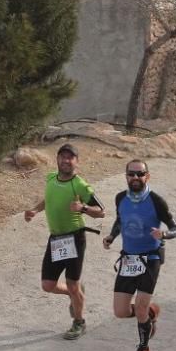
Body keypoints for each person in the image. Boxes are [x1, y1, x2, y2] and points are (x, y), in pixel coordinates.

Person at [103, 160, 176, 351]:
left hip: (151, 257)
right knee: (120, 311)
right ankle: (149, 314)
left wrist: (164, 234)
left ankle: (143, 349)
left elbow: (175, 228)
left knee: (140, 307)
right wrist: (112, 236)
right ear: (126, 176)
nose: (135, 178)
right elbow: (120, 220)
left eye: (140, 174)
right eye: (131, 174)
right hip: (129, 258)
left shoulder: (156, 201)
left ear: (148, 176)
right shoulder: (120, 198)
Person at [24, 143, 105, 339]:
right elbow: (48, 200)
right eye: (63, 156)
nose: (66, 160)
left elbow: (101, 212)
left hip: (74, 238)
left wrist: (83, 208)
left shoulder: (80, 185)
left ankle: (79, 322)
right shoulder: (51, 177)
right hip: (56, 239)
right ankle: (73, 293)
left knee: (72, 283)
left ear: (76, 162)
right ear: (57, 159)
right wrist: (35, 210)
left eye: (70, 157)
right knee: (47, 285)